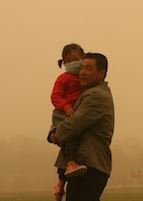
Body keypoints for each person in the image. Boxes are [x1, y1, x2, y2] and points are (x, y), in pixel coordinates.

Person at [49, 52, 114, 201]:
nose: (82, 72)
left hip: (90, 165)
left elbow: (74, 124)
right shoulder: (88, 94)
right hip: (83, 166)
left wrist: (56, 134)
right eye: (82, 68)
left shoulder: (96, 96)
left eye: (89, 68)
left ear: (102, 73)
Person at [47, 43, 86, 201]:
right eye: (69, 60)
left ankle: (61, 183)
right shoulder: (63, 79)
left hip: (75, 113)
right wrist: (67, 108)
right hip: (63, 114)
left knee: (68, 146)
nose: (73, 63)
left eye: (76, 59)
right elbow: (55, 97)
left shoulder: (85, 78)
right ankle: (70, 163)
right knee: (71, 138)